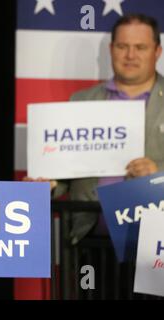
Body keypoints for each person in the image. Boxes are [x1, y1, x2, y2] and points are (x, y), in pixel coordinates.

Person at [25, 14, 164, 245]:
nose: (130, 55)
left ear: (157, 51)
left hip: (156, 244)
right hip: (89, 238)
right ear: (111, 49)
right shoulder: (80, 101)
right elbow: (64, 176)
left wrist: (157, 172)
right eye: (122, 46)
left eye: (140, 47)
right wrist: (47, 185)